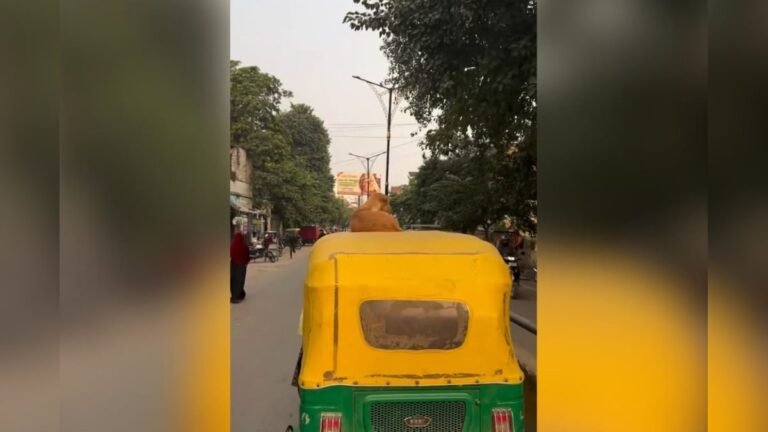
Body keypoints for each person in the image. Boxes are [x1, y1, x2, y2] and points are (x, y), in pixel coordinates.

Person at [230, 229, 250, 304]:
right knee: (240, 280)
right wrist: (245, 262)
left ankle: (234, 295)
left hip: (233, 265)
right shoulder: (244, 245)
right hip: (241, 265)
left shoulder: (232, 245)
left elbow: (231, 254)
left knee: (233, 280)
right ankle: (238, 295)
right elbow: (247, 255)